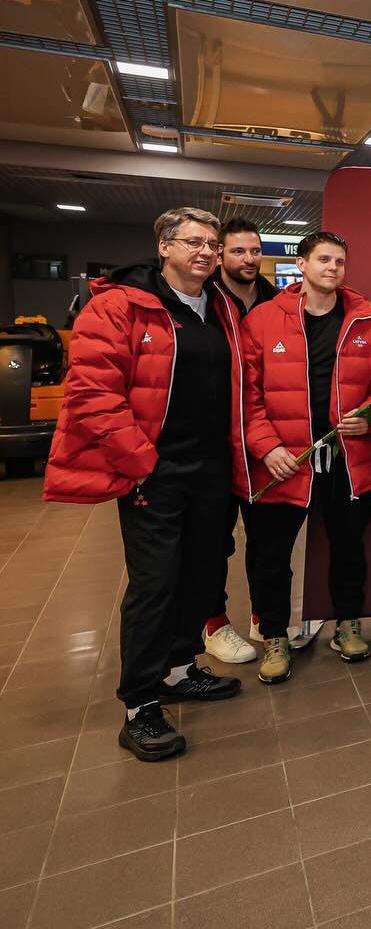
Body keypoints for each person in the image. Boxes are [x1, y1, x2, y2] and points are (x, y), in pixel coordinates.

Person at [45, 207, 243, 762]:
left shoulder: (220, 306)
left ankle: (179, 670)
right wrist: (142, 461)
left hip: (210, 468)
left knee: (201, 573)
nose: (205, 252)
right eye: (192, 242)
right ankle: (140, 704)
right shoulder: (119, 306)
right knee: (155, 583)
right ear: (164, 246)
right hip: (155, 469)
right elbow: (92, 393)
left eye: (211, 244)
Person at [240, 232, 371, 684]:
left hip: (347, 459)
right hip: (284, 461)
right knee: (271, 555)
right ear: (301, 264)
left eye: (339, 261)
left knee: (349, 547)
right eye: (323, 259)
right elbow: (244, 396)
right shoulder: (263, 320)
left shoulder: (366, 318)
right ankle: (275, 637)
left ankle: (347, 624)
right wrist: (268, 447)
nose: (332, 268)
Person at [197, 217, 291, 666]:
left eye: (255, 250)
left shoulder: (278, 303)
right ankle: (214, 623)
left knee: (267, 540)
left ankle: (263, 617)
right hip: (214, 439)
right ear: (220, 255)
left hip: (262, 439)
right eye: (238, 251)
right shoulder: (205, 301)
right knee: (214, 540)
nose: (249, 259)